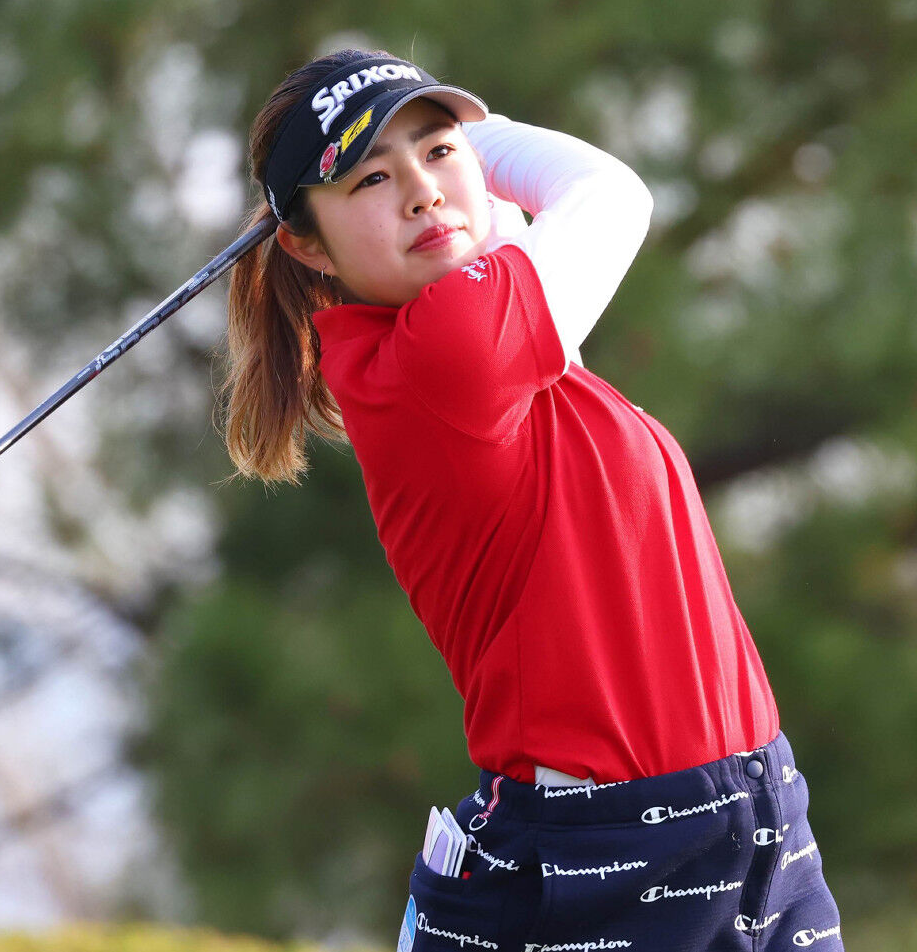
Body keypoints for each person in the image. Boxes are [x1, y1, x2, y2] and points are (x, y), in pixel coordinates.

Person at [221, 48, 843, 951]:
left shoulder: (493, 344)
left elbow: (509, 236)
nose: (422, 193)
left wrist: (449, 163)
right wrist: (480, 139)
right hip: (612, 853)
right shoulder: (443, 358)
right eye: (370, 178)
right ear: (307, 244)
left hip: (756, 818)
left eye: (436, 152)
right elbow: (610, 194)